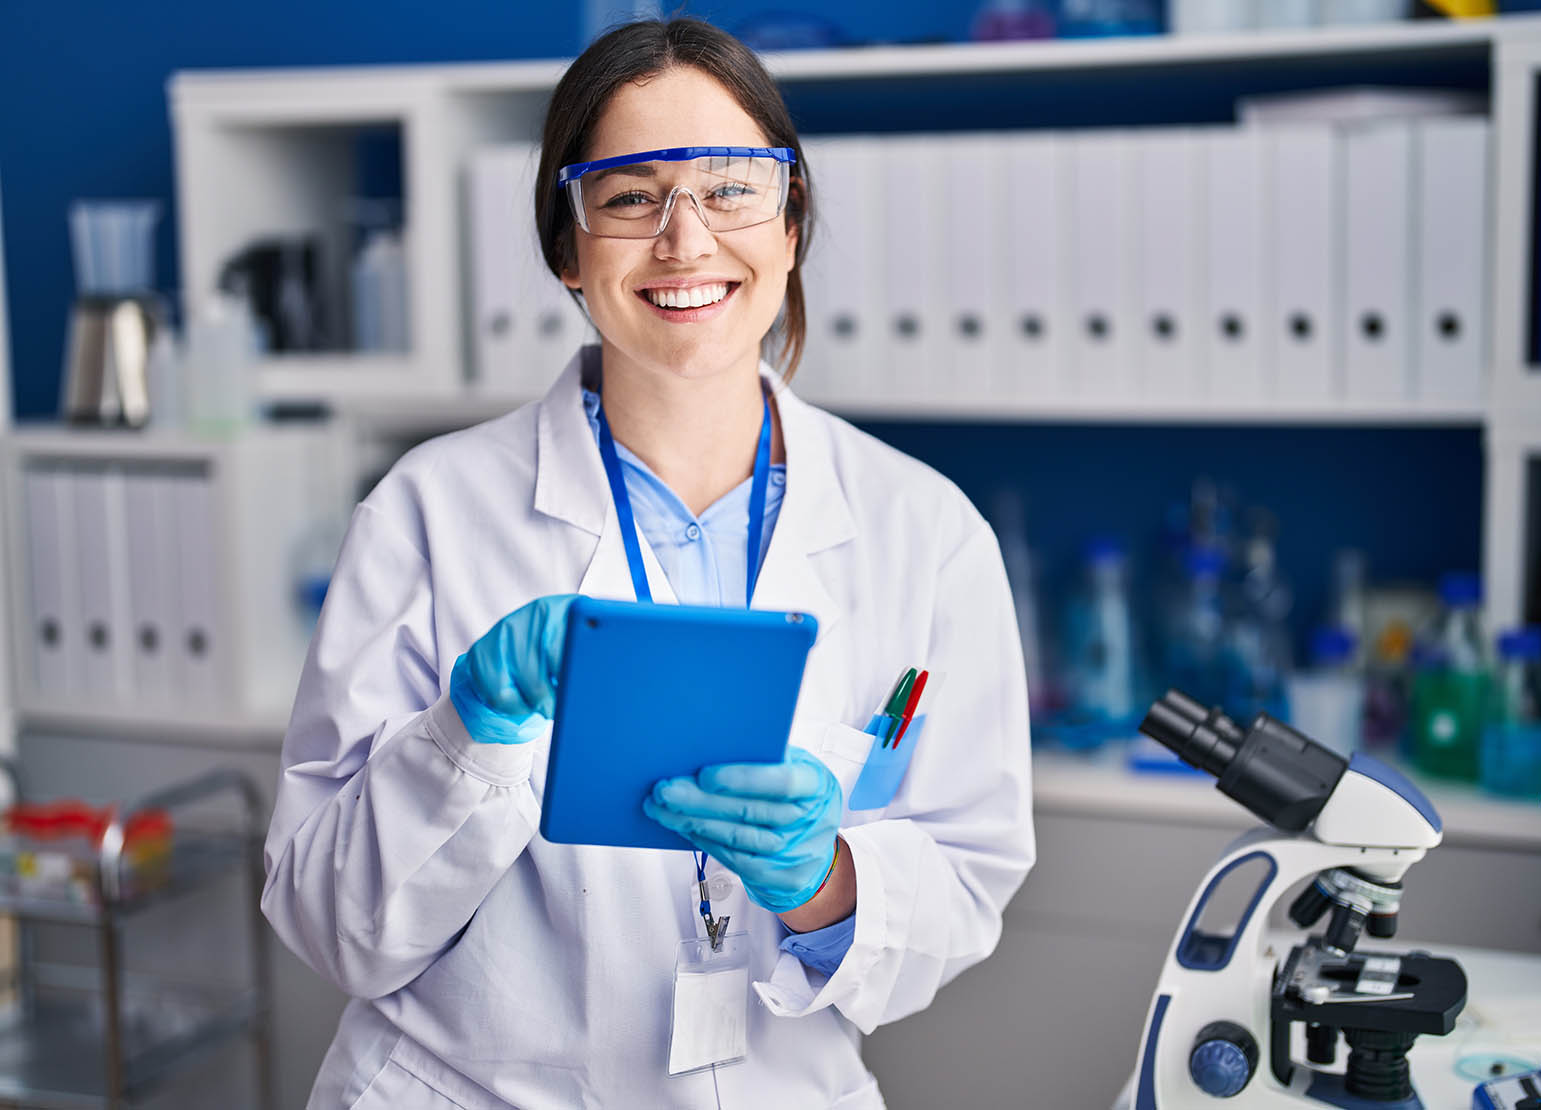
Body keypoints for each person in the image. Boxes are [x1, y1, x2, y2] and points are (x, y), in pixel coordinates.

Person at [263, 18, 1034, 1109]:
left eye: (730, 190)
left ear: (792, 221)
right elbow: (330, 927)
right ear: (568, 249)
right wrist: (462, 736)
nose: (685, 241)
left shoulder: (926, 530)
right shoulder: (426, 514)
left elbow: (970, 877)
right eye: (630, 197)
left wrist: (831, 885)